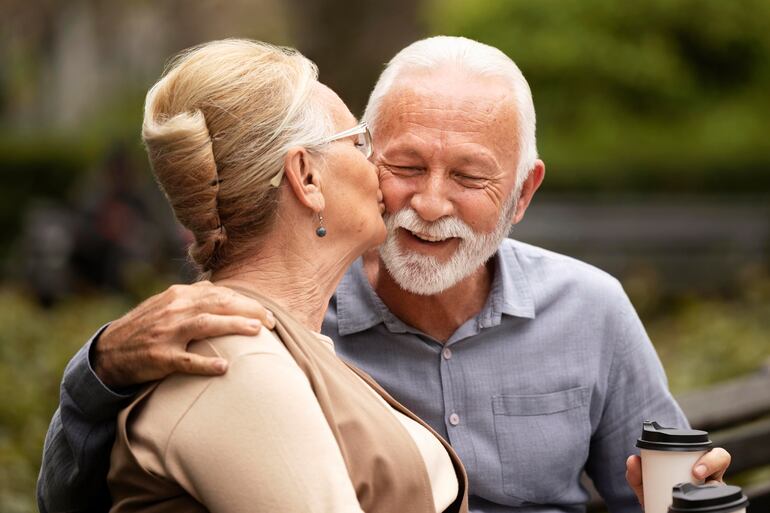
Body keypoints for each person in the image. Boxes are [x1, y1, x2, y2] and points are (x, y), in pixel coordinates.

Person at [38, 36, 729, 513]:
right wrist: (96, 371)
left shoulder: (590, 308)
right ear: (328, 169)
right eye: (398, 164)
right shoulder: (257, 336)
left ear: (522, 193)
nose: (427, 204)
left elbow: (663, 485)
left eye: (467, 176)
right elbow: (80, 493)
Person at [49, 38, 470, 513]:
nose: (377, 167)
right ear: (306, 177)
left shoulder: (270, 343)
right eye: (358, 141)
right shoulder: (233, 357)